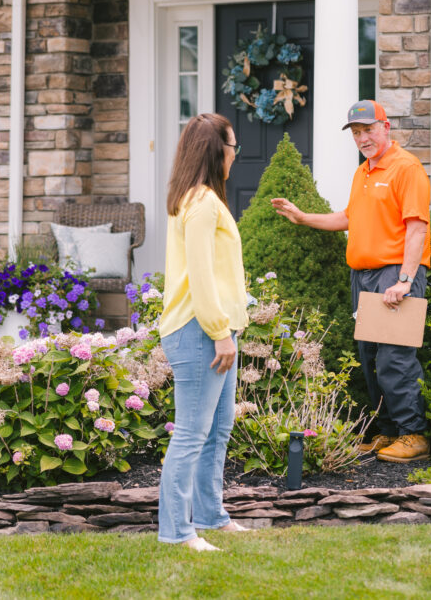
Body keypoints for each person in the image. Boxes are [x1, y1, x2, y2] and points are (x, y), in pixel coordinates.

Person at [271, 100, 431, 463]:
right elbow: (349, 217)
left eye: (368, 129)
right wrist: (302, 217)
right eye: (356, 133)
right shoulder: (364, 172)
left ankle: (414, 434)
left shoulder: (406, 168)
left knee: (395, 357)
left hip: (394, 274)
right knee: (371, 357)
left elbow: (417, 228)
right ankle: (388, 431)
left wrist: (405, 280)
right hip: (364, 277)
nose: (363, 138)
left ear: (386, 127)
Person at [157, 113, 250, 551]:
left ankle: (212, 515)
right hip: (200, 330)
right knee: (193, 434)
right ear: (217, 151)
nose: (235, 155)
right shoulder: (203, 203)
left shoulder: (201, 198)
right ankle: (177, 533)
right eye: (233, 147)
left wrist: (226, 327)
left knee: (218, 429)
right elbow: (200, 276)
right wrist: (219, 331)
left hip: (214, 328)